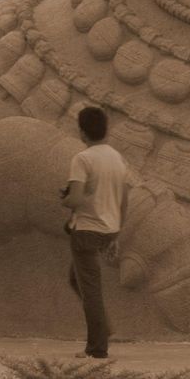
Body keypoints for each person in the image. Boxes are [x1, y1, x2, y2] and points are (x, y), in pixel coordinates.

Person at [61, 106, 128, 359]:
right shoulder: (117, 158)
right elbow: (125, 199)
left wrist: (65, 199)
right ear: (105, 130)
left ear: (81, 131)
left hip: (86, 231)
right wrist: (117, 233)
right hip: (108, 229)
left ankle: (96, 348)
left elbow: (75, 198)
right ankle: (104, 327)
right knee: (75, 279)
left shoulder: (83, 159)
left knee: (91, 290)